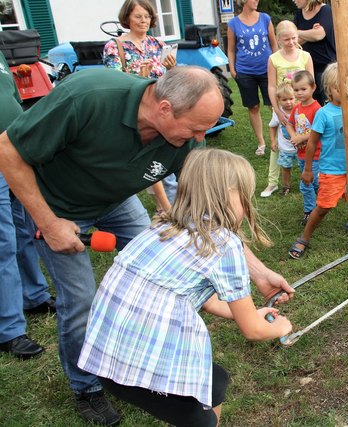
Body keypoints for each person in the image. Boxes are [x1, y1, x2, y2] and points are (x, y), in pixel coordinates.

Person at [0, 66, 294, 425]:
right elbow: (7, 150)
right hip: (60, 206)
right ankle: (88, 386)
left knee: (163, 265)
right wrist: (48, 222)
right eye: (197, 128)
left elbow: (210, 224)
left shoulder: (184, 137)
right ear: (165, 109)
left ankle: (135, 364)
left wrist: (258, 271)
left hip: (117, 198)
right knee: (79, 302)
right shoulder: (88, 97)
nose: (201, 137)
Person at [78, 148, 292, 427]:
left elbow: (199, 297)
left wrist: (246, 313)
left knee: (216, 382)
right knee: (199, 421)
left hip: (106, 353)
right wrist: (281, 328)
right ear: (227, 195)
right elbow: (253, 330)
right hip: (132, 365)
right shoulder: (223, 243)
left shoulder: (164, 228)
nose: (248, 204)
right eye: (245, 196)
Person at [0, 51, 53, 360]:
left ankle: (33, 297)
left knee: (24, 229)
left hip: (13, 154)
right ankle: (9, 329)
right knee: (3, 243)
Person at [104, 0, 178, 213]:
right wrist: (138, 79)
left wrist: (171, 69)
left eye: (146, 16)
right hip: (134, 111)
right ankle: (163, 207)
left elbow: (170, 79)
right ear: (127, 18)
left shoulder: (158, 44)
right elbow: (112, 83)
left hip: (162, 109)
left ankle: (168, 207)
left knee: (162, 159)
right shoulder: (115, 46)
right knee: (146, 160)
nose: (143, 20)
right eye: (138, 16)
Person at [289, 63, 344, 259]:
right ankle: (304, 238)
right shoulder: (324, 113)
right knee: (323, 207)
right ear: (329, 90)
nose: (344, 91)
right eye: (339, 87)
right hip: (332, 171)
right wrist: (308, 170)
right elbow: (311, 143)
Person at [261, 19, 314, 198]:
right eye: (286, 39)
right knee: (280, 144)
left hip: (302, 109)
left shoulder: (305, 56)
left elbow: (311, 82)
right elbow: (271, 86)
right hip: (282, 108)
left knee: (307, 140)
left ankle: (311, 176)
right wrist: (276, 109)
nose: (291, 42)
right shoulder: (273, 58)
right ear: (278, 39)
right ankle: (272, 182)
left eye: (293, 38)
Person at [227, 0, 278, 156]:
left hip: (267, 69)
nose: (257, 1)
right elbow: (231, 49)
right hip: (245, 72)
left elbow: (274, 44)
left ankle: (279, 140)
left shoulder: (265, 18)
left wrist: (277, 64)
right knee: (253, 107)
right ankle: (261, 142)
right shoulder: (233, 24)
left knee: (274, 106)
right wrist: (233, 70)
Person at [286, 70, 322, 226]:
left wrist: (302, 137)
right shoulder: (297, 108)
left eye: (303, 89)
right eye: (296, 90)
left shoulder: (317, 109)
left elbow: (319, 131)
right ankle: (324, 198)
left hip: (315, 154)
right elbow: (289, 123)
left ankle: (310, 212)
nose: (299, 93)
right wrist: (294, 135)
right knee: (314, 183)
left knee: (305, 183)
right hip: (301, 154)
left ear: (313, 87)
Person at [293, 0, 337, 105]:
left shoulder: (326, 11)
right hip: (306, 69)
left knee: (327, 105)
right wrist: (310, 33)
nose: (293, 0)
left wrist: (298, 32)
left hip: (325, 70)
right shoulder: (299, 14)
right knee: (309, 107)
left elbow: (319, 35)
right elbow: (293, 41)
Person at [268, 83, 297, 196]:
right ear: (278, 100)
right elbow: (273, 126)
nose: (288, 102)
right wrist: (273, 140)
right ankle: (286, 186)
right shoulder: (278, 113)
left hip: (301, 147)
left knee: (305, 166)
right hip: (285, 148)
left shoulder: (299, 110)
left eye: (291, 98)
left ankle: (308, 184)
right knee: (285, 167)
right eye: (284, 99)